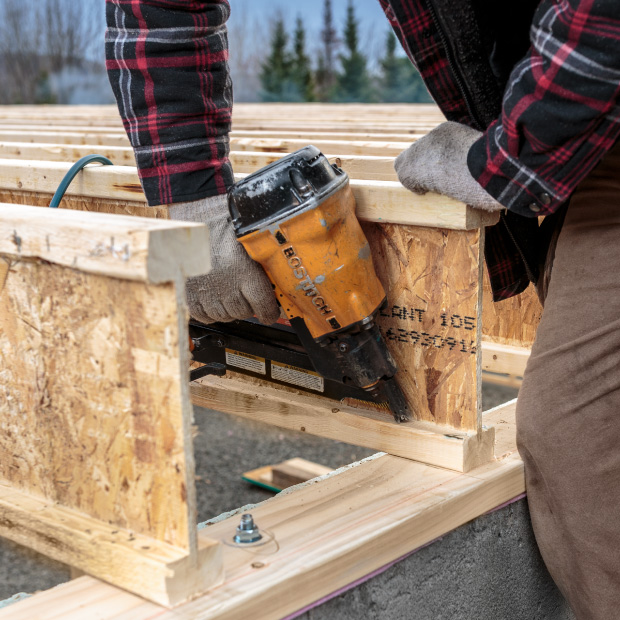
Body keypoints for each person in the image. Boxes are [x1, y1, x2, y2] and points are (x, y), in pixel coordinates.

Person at [105, 1, 620, 617]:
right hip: (571, 109)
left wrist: (508, 160)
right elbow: (161, 11)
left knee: (576, 433)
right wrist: (196, 201)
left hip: (589, 88)